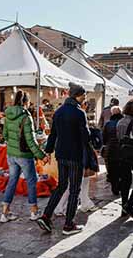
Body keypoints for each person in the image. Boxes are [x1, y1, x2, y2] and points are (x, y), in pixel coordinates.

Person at [38, 83, 89, 236]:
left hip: (61, 154)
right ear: (79, 96)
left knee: (61, 186)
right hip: (74, 156)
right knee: (74, 189)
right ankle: (68, 225)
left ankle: (46, 216)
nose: (85, 98)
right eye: (84, 96)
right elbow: (85, 137)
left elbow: (53, 135)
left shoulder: (59, 111)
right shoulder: (79, 113)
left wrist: (47, 152)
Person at [1, 90, 49, 223]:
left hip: (11, 154)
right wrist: (42, 156)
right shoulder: (26, 117)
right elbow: (31, 141)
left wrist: (14, 143)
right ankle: (34, 211)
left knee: (12, 181)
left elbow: (5, 135)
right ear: (25, 102)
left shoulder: (8, 115)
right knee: (31, 181)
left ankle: (5, 212)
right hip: (24, 155)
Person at [102, 106, 123, 195]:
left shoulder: (108, 124)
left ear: (112, 113)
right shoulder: (124, 123)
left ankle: (115, 188)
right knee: (122, 169)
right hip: (122, 149)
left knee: (112, 169)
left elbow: (104, 138)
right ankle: (121, 186)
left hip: (110, 149)